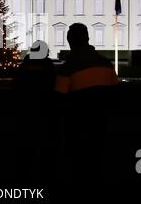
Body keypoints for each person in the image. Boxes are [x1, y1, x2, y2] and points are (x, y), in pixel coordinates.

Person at [54, 23, 119, 182]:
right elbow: (116, 93)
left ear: (70, 41)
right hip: (102, 123)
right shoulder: (106, 64)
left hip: (77, 126)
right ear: (88, 39)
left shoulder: (68, 67)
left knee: (78, 167)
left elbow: (59, 100)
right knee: (97, 164)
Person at [13, 40, 56, 181]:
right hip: (45, 113)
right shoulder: (49, 67)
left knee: (26, 151)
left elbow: (17, 87)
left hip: (26, 114)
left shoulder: (24, 66)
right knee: (45, 150)